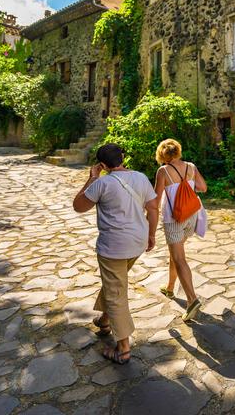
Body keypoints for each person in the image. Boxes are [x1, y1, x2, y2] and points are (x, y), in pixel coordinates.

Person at [72, 143, 158, 364]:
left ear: (102, 165)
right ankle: (105, 320)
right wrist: (151, 235)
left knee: (116, 292)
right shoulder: (140, 177)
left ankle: (124, 349)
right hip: (137, 242)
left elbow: (79, 206)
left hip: (114, 247)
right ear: (123, 158)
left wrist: (92, 177)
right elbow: (153, 208)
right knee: (115, 283)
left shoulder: (102, 183)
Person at [153, 138, 207, 322]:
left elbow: (156, 198)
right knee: (175, 254)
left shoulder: (163, 171)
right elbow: (203, 187)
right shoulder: (191, 167)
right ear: (178, 151)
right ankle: (169, 287)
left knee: (180, 259)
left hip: (174, 219)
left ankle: (192, 300)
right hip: (191, 215)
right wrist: (187, 185)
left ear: (162, 154)